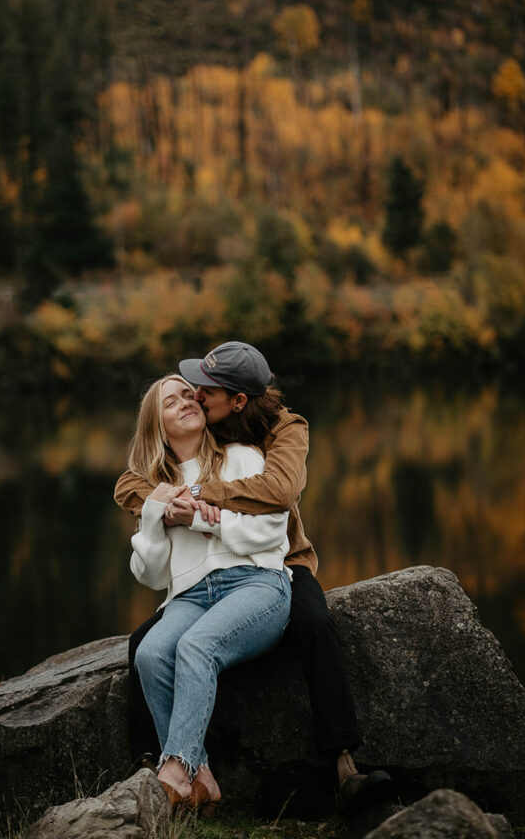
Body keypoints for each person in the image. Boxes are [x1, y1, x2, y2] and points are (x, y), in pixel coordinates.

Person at [115, 341, 391, 813]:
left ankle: (343, 763)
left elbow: (279, 496)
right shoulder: (175, 458)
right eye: (181, 395)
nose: (195, 396)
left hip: (277, 564)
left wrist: (197, 506)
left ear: (237, 401)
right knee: (147, 648)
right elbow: (131, 491)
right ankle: (175, 769)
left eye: (202, 391)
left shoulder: (274, 434)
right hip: (194, 588)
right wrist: (159, 508)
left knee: (312, 623)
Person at [127, 373, 292, 810]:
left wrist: (198, 519)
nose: (186, 401)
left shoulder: (241, 458)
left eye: (190, 394)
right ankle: (203, 778)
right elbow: (150, 574)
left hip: (257, 581)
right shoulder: (156, 487)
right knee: (150, 652)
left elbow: (272, 530)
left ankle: (175, 771)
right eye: (171, 401)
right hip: (190, 596)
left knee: (197, 647)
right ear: (156, 426)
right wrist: (154, 518)